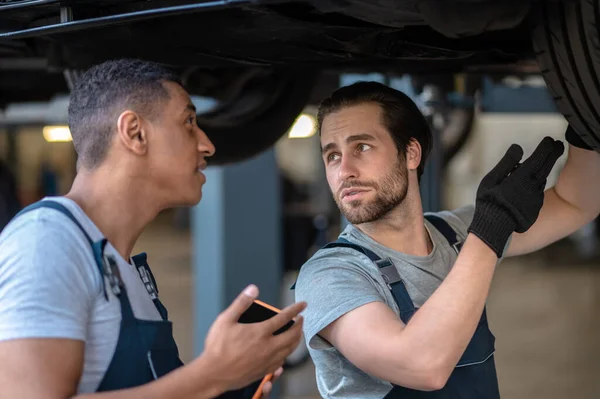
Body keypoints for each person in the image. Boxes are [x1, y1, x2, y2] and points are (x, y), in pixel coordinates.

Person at [0, 59, 307, 399]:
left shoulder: (124, 266)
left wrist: (231, 380)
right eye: (188, 122)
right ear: (134, 133)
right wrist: (212, 375)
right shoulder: (46, 242)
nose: (207, 144)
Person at [294, 81, 600, 399]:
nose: (344, 170)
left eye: (362, 147)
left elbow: (576, 202)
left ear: (411, 153)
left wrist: (587, 116)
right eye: (332, 156)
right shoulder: (329, 275)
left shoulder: (453, 233)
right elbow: (421, 366)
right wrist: (489, 232)